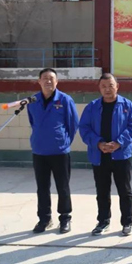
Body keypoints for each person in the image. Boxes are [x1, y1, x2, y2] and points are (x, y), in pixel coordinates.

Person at [79, 73, 132, 237]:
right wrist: (98, 143)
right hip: (99, 155)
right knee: (102, 191)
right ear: (99, 88)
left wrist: (118, 143)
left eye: (110, 85)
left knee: (124, 190)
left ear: (117, 86)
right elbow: (84, 128)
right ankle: (103, 221)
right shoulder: (92, 107)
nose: (107, 89)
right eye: (103, 86)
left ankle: (127, 222)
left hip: (120, 155)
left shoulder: (126, 105)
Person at [27, 68, 79, 234]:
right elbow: (33, 122)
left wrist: (63, 141)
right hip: (39, 152)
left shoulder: (65, 100)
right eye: (45, 78)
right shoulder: (33, 101)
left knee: (62, 187)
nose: (48, 81)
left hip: (59, 152)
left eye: (51, 78)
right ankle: (44, 219)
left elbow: (73, 124)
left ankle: (65, 218)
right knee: (42, 188)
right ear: (39, 81)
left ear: (56, 82)